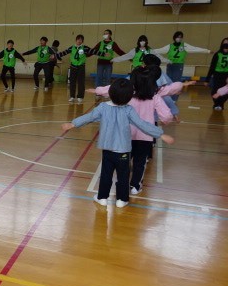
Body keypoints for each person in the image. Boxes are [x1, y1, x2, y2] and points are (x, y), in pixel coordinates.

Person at [62, 78, 174, 208]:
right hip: (123, 151)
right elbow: (142, 125)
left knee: (106, 175)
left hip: (107, 150)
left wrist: (73, 124)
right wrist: (160, 134)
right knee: (123, 176)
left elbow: (89, 117)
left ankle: (102, 198)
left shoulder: (103, 107)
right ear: (129, 96)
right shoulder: (129, 110)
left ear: (110, 93)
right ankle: (122, 199)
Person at [89, 66, 188, 195]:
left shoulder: (128, 93)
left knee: (123, 162)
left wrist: (97, 90)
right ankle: (135, 186)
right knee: (140, 162)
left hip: (126, 135)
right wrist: (166, 120)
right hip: (145, 136)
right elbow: (166, 115)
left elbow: (112, 88)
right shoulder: (154, 96)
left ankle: (122, 186)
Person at [153, 31, 210, 101]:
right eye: (177, 37)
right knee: (169, 82)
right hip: (170, 65)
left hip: (179, 65)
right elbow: (160, 50)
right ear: (174, 38)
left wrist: (208, 51)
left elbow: (195, 49)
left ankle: (174, 99)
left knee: (176, 81)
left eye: (180, 37)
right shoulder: (169, 46)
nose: (179, 38)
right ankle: (168, 98)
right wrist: (149, 51)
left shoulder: (184, 46)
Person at [55, 35, 92, 103]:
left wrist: (103, 54)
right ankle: (72, 96)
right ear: (76, 40)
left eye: (81, 40)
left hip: (81, 67)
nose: (79, 41)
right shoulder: (72, 48)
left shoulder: (85, 48)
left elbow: (93, 51)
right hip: (73, 67)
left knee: (81, 82)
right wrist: (55, 55)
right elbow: (64, 52)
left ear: (82, 41)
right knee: (72, 82)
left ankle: (80, 97)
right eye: (78, 39)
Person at [206, 37, 228, 111]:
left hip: (226, 75)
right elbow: (212, 67)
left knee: (225, 91)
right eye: (225, 43)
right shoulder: (217, 54)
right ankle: (216, 104)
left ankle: (221, 104)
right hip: (217, 75)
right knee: (214, 90)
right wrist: (207, 80)